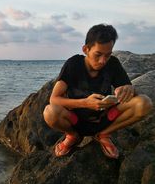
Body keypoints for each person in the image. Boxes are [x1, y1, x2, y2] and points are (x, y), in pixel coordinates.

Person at [43, 24, 153, 159]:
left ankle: (103, 135)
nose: (102, 61)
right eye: (98, 54)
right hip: (75, 121)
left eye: (107, 55)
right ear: (86, 49)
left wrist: (129, 89)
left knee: (144, 103)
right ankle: (73, 136)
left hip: (105, 119)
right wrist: (85, 103)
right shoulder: (73, 64)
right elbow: (54, 99)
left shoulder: (112, 63)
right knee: (50, 112)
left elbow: (130, 94)